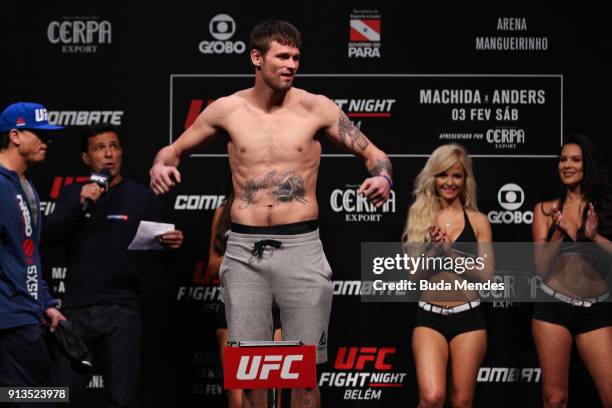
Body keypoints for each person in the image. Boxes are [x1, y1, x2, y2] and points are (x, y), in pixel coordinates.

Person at [150, 20, 392, 407]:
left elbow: (374, 155)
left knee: (304, 377)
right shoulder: (227, 110)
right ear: (257, 58)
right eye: (282, 56)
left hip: (301, 247)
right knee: (252, 376)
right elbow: (171, 152)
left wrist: (382, 177)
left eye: (296, 57)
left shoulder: (317, 108)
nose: (291, 64)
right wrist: (161, 166)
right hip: (244, 251)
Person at [45, 123, 183, 407]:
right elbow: (50, 238)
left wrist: (171, 244)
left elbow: (161, 255)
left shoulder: (142, 197)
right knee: (64, 397)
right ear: (86, 158)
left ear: (121, 152)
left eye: (114, 146)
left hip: (122, 311)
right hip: (76, 311)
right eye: (99, 148)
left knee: (122, 399)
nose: (108, 154)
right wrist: (79, 204)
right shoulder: (73, 194)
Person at [402, 144, 493, 408]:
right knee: (431, 398)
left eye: (457, 175)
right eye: (443, 175)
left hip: (469, 318)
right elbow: (412, 278)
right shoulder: (419, 217)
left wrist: (450, 253)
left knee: (462, 402)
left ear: (466, 180)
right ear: (434, 178)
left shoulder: (479, 221)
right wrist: (433, 251)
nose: (449, 182)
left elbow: (486, 276)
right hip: (429, 317)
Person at [532, 133, 612, 408]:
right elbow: (541, 269)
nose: (567, 165)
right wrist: (559, 234)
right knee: (555, 399)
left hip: (596, 311)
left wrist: (594, 237)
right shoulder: (545, 211)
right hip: (553, 307)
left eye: (575, 160)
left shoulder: (604, 208)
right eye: (563, 159)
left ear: (587, 165)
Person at [0, 102, 66, 393]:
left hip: (25, 314)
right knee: (38, 397)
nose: (47, 141)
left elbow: (27, 254)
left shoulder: (25, 185)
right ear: (15, 136)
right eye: (38, 133)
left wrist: (45, 303)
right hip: (9, 317)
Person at [205, 181, 282, 408]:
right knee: (237, 395)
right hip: (232, 307)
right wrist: (244, 255)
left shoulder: (279, 211)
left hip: (272, 308)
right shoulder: (223, 211)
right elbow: (211, 266)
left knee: (271, 391)